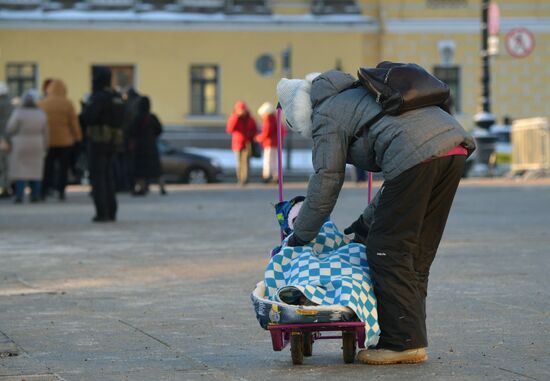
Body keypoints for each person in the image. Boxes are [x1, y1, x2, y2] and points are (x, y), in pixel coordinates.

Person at [276, 70, 475, 365]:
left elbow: (326, 181)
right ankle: (411, 340)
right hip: (452, 147)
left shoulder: (326, 113)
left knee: (386, 250)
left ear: (300, 114)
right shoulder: (355, 94)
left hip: (418, 155)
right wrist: (364, 223)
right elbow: (397, 181)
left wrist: (300, 235)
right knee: (416, 249)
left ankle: (401, 343)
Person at [80, 66, 124, 222]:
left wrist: (84, 108)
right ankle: (111, 211)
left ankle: (102, 212)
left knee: (98, 178)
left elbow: (88, 117)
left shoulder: (98, 97)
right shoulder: (116, 96)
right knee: (109, 176)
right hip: (113, 141)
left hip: (98, 141)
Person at [39, 79, 82, 200]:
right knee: (63, 168)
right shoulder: (68, 103)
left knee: (48, 167)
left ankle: (45, 190)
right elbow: (74, 122)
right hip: (65, 141)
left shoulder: (43, 103)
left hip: (48, 141)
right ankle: (61, 191)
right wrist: (78, 137)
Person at [5, 90, 48, 203]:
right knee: (36, 171)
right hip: (37, 143)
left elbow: (10, 128)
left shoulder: (18, 112)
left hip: (20, 143)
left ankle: (19, 195)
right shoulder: (41, 113)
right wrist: (45, 145)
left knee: (21, 171)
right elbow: (46, 132)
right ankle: (35, 195)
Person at [129, 96, 164, 195]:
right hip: (152, 146)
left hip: (140, 148)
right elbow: (160, 130)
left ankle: (142, 188)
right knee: (157, 170)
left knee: (140, 171)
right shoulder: (152, 117)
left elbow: (132, 131)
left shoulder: (137, 117)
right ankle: (162, 188)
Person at [226, 101, 257, 185]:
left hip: (247, 143)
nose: (242, 112)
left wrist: (251, 135)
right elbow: (229, 129)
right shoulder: (234, 118)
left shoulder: (250, 118)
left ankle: (245, 179)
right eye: (240, 110)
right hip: (237, 143)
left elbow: (255, 129)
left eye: (243, 109)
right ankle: (239, 179)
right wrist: (236, 117)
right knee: (239, 162)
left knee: (246, 162)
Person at [256, 102, 286, 183]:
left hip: (269, 143)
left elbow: (266, 131)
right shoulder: (275, 118)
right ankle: (276, 176)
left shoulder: (268, 119)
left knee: (268, 161)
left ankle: (267, 176)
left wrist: (259, 138)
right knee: (276, 160)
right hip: (277, 143)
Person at [0, 81, 13, 198]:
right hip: (8, 137)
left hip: (3, 138)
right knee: (6, 164)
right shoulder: (10, 103)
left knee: (3, 165)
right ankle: (6, 187)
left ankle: (4, 188)